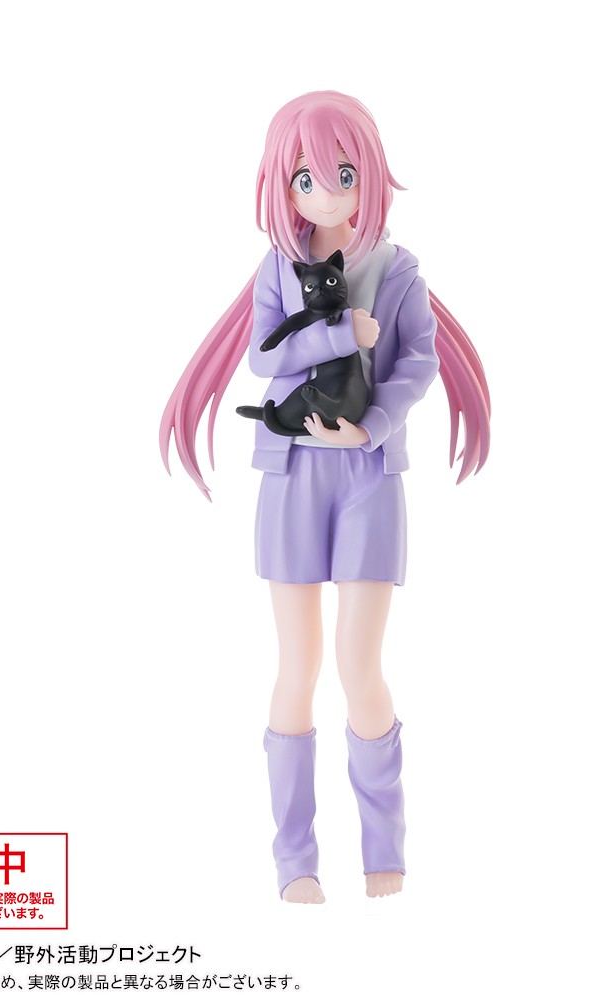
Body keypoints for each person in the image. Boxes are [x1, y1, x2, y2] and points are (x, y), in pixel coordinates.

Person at [159, 91, 490, 902]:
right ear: (283, 184)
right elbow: (266, 359)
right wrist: (343, 335)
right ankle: (294, 861)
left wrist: (371, 426)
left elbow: (419, 362)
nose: (327, 194)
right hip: (290, 475)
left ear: (370, 172)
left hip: (370, 477)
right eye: (306, 179)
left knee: (359, 664)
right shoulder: (277, 266)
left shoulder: (398, 269)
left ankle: (384, 857)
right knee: (297, 665)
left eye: (344, 174)